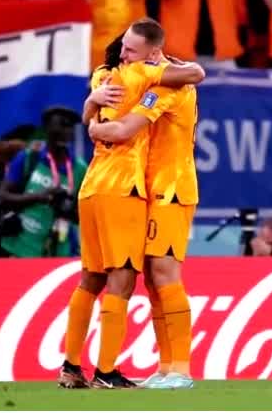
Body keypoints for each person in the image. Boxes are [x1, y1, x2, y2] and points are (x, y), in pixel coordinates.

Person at [59, 19, 205, 389]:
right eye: (123, 47)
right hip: (138, 189)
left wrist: (92, 122)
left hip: (170, 189)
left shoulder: (168, 85)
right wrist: (92, 110)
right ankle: (164, 365)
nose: (122, 54)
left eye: (130, 50)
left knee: (162, 275)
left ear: (153, 54)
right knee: (151, 280)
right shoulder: (135, 77)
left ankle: (180, 369)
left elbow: (125, 129)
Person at [0, 107, 87, 258]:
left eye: (70, 126)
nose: (66, 130)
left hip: (59, 250)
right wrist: (41, 197)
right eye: (61, 124)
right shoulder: (28, 157)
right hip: (20, 247)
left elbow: (85, 216)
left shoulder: (79, 168)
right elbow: (4, 196)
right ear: (47, 128)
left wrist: (68, 208)